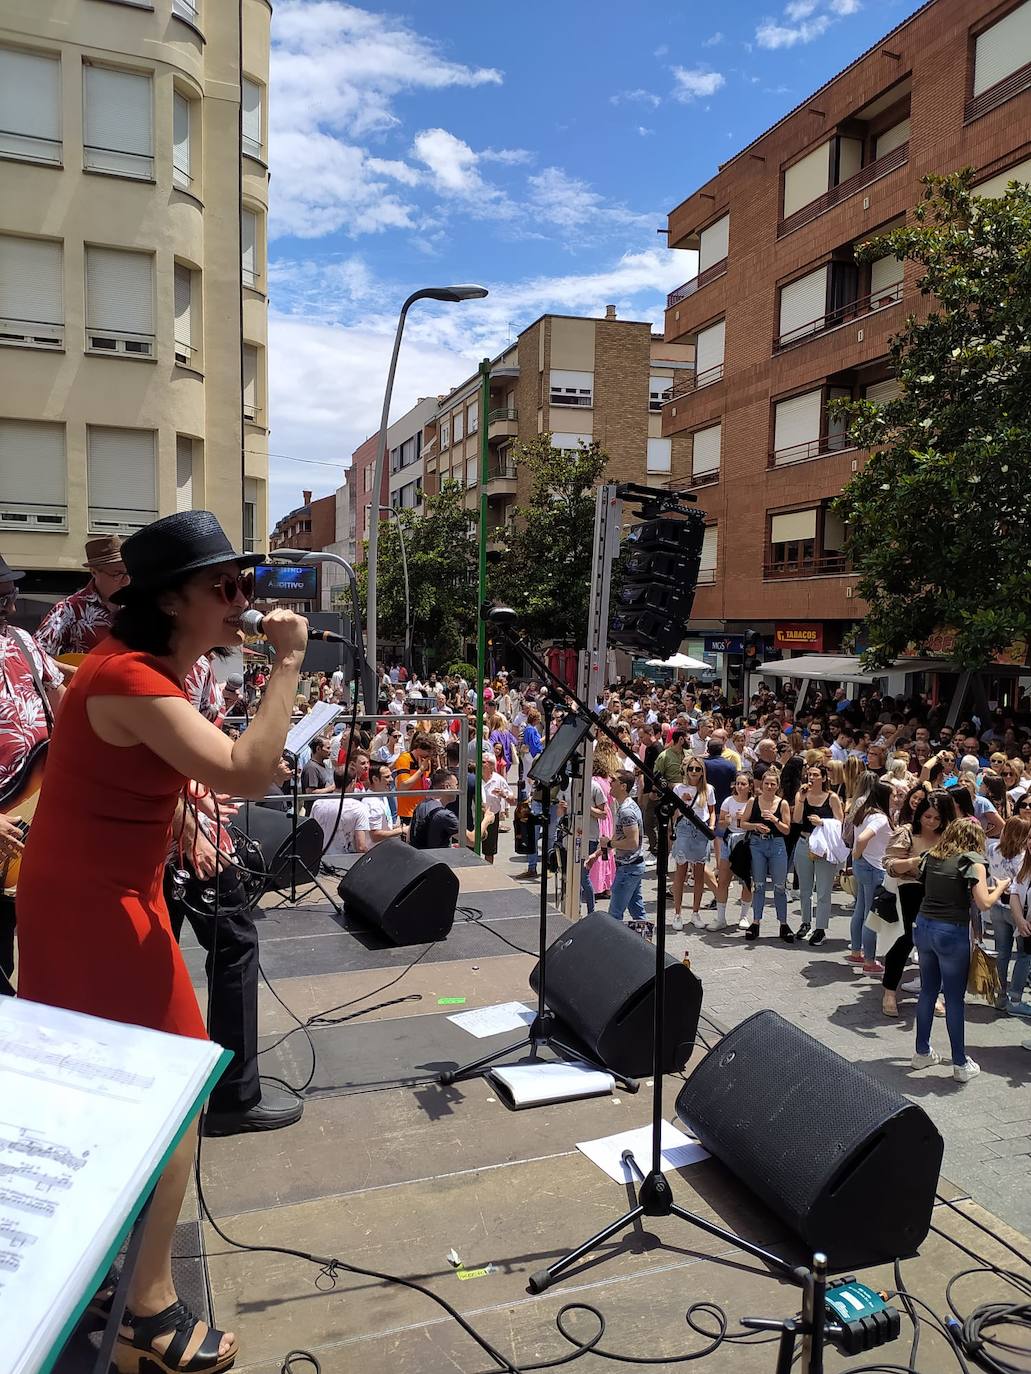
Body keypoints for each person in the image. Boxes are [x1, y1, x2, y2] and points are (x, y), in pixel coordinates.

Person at [16, 510, 308, 1374]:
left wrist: (176, 806)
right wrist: (289, 663)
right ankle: (145, 1306)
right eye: (225, 586)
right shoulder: (131, 679)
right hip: (95, 908)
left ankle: (104, 1271)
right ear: (172, 600)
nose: (244, 601)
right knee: (174, 1093)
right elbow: (249, 769)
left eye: (244, 584)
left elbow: (133, 766)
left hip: (100, 895)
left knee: (115, 1090)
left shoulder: (133, 673)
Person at [897, 818, 1011, 1082]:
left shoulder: (932, 856)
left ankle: (921, 1052)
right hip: (951, 931)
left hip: (924, 926)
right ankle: (960, 1063)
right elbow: (983, 904)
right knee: (954, 999)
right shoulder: (972, 861)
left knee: (927, 990)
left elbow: (945, 885)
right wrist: (1002, 888)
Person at [0, 555, 65, 994]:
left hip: (32, 815)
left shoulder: (23, 640)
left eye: (10, 592)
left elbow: (64, 705)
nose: (9, 602)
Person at [883, 788, 957, 1017]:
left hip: (940, 893)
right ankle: (889, 992)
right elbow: (890, 864)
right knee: (906, 940)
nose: (932, 822)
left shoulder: (950, 835)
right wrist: (917, 860)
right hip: (911, 889)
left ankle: (931, 993)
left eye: (937, 818)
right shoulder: (907, 832)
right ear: (919, 815)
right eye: (928, 817)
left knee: (935, 945)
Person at [34, 533, 129, 660]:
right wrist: (77, 673)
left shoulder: (138, 605)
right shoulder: (69, 608)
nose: (126, 581)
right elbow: (36, 655)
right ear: (94, 572)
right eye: (117, 574)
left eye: (128, 573)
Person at [791, 761, 845, 944]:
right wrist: (800, 798)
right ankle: (805, 923)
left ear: (823, 778)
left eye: (815, 775)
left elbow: (840, 823)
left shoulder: (831, 798)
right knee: (805, 889)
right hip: (804, 842)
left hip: (824, 847)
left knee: (823, 890)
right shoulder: (803, 795)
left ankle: (820, 928)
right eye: (809, 775)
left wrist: (823, 822)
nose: (811, 778)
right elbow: (796, 819)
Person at [739, 766, 792, 942]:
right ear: (762, 785)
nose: (769, 787)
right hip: (757, 843)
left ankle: (783, 923)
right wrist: (756, 826)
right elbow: (743, 823)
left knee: (779, 886)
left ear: (777, 786)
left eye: (772, 784)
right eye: (767, 783)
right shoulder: (753, 801)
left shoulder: (782, 803)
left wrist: (774, 819)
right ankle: (756, 922)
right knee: (759, 885)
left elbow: (786, 830)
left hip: (776, 844)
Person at [846, 775, 892, 973]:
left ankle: (856, 953)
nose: (897, 798)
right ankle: (869, 961)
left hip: (862, 865)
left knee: (861, 910)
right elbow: (864, 837)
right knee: (870, 916)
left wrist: (857, 856)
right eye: (894, 795)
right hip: (874, 867)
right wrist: (857, 852)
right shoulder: (880, 817)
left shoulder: (863, 812)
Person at [671, 757, 716, 932]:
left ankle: (695, 913)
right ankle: (677, 914)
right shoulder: (678, 788)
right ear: (686, 770)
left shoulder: (708, 789)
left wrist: (711, 826)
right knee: (680, 873)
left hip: (701, 828)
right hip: (684, 827)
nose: (694, 772)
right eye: (691, 768)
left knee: (699, 874)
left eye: (698, 769)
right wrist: (682, 802)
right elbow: (674, 812)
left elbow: (712, 811)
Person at [993, 817, 1031, 1014]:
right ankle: (1015, 999)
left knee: (1002, 953)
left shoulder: (994, 850)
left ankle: (1000, 995)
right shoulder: (1023, 857)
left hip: (997, 906)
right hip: (1018, 911)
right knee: (1024, 955)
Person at [602, 770, 647, 928]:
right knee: (637, 912)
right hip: (632, 866)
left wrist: (609, 844)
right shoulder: (625, 806)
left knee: (614, 915)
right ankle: (646, 945)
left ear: (623, 786)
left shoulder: (626, 810)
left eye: (613, 780)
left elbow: (632, 842)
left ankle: (611, 948)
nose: (610, 782)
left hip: (628, 868)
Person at [310, 768, 370, 859]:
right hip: (346, 862)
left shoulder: (318, 804)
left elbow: (312, 834)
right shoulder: (359, 808)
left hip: (321, 860)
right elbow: (361, 847)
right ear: (353, 782)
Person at [409, 769, 462, 848]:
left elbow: (411, 837)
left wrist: (447, 846)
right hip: (435, 859)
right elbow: (472, 840)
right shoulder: (445, 815)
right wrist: (487, 818)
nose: (457, 788)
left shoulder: (421, 805)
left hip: (421, 857)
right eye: (456, 785)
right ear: (447, 786)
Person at [363, 761, 404, 843]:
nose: (391, 779)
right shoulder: (371, 803)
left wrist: (395, 828)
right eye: (387, 777)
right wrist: (401, 830)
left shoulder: (382, 795)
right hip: (375, 851)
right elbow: (375, 836)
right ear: (375, 779)